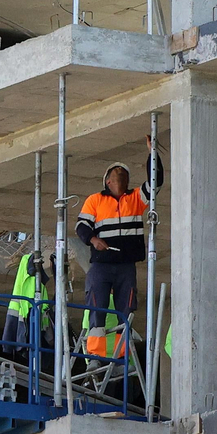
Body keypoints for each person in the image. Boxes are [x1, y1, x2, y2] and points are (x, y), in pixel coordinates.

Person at [74, 152, 163, 358]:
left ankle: (121, 357)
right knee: (97, 307)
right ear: (107, 180)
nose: (122, 172)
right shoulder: (95, 200)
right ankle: (95, 356)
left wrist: (152, 155)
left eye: (125, 172)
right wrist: (94, 240)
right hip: (102, 265)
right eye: (117, 171)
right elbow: (81, 226)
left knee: (126, 310)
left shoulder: (136, 198)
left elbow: (155, 182)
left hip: (126, 265)